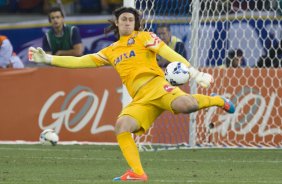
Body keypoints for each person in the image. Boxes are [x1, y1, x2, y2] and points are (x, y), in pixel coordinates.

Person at [28, 7, 235, 182]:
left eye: (130, 19)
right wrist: (48, 58)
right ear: (117, 23)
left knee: (186, 107)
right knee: (122, 126)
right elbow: (81, 61)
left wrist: (194, 72)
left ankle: (218, 100)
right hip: (140, 99)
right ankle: (137, 172)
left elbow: (167, 53)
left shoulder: (144, 37)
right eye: (123, 19)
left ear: (135, 23)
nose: (127, 21)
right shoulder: (111, 50)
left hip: (157, 85)